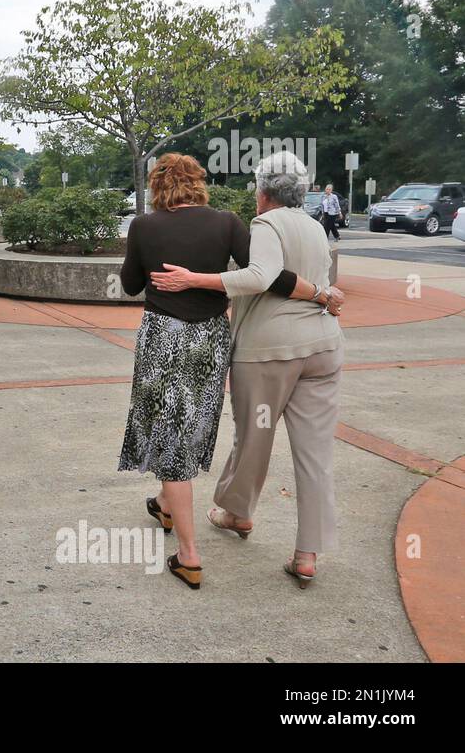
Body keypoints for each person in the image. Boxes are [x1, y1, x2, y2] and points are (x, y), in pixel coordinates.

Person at [118, 153, 336, 590]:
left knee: (170, 440)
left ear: (159, 187)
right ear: (198, 183)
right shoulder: (230, 223)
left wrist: (175, 272)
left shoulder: (144, 226)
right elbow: (271, 277)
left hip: (166, 339)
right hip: (216, 342)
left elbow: (129, 284)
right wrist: (320, 293)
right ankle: (169, 503)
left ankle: (190, 555)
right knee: (193, 430)